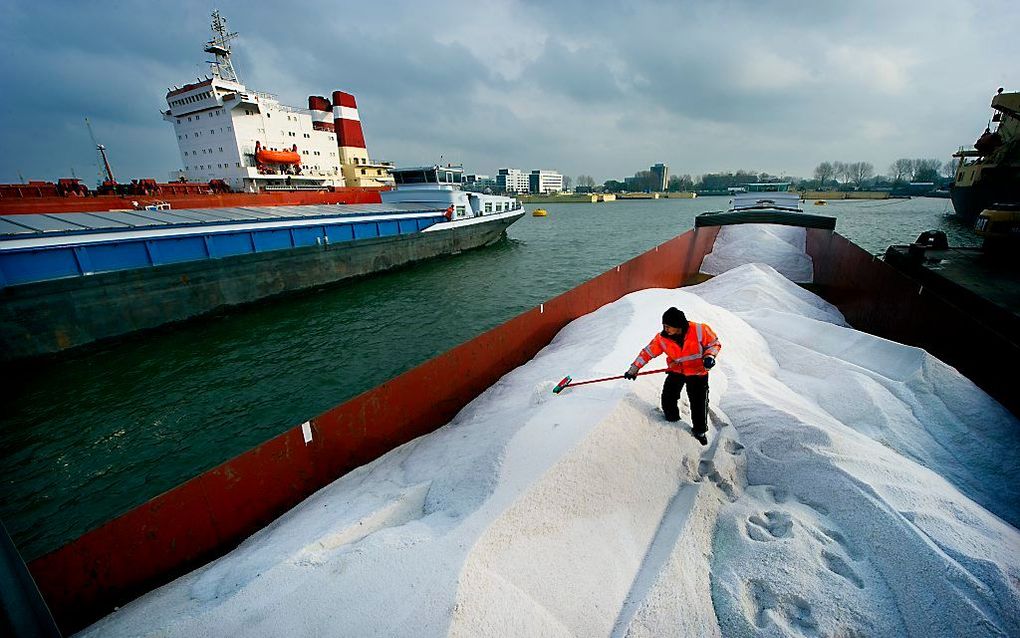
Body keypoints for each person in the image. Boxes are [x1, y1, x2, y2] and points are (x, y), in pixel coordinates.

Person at [624, 307, 721, 445]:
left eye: (668, 326)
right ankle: (672, 420)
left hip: (697, 372)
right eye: (664, 325)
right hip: (677, 370)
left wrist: (709, 356)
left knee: (698, 402)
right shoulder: (662, 338)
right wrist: (634, 369)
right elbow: (647, 352)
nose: (665, 329)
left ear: (678, 325)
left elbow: (714, 344)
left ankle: (699, 431)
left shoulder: (700, 330)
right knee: (668, 396)